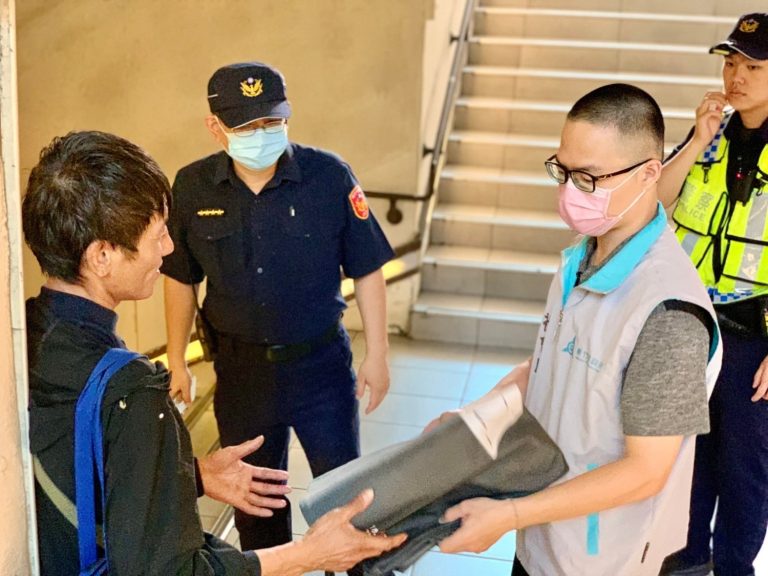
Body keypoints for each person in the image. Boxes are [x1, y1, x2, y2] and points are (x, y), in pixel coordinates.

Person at [23, 130, 405, 575]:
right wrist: (309, 555)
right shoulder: (132, 390)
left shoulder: (26, 336)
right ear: (101, 256)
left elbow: (82, 472)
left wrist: (193, 475)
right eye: (157, 236)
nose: (169, 249)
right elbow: (173, 571)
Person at [425, 84, 723, 576]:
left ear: (650, 173)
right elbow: (548, 366)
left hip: (605, 557)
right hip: (542, 535)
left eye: (587, 178)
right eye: (562, 172)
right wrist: (472, 420)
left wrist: (509, 515)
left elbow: (646, 471)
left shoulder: (668, 312)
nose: (569, 192)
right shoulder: (581, 257)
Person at [161, 61, 395, 553]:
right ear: (215, 127)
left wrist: (378, 354)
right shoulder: (192, 186)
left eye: (272, 121)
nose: (262, 134)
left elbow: (368, 268)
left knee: (345, 500)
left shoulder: (329, 176)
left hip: (321, 368)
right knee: (257, 505)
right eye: (247, 126)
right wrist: (178, 360)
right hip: (241, 374)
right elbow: (180, 278)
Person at [656, 13, 768, 576]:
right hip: (693, 326)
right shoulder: (711, 136)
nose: (735, 76)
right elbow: (655, 200)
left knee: (744, 467)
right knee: (687, 457)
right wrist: (698, 138)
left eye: (753, 66)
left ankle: (733, 568)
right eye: (730, 63)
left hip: (754, 338)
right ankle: (687, 560)